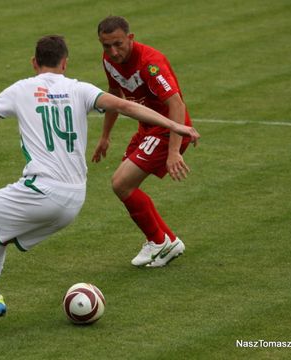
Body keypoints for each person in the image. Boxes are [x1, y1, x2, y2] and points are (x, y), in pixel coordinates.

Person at [0, 35, 200, 334]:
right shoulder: (80, 89)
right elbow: (125, 107)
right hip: (73, 201)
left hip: (40, 190)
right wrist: (173, 124)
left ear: (34, 62)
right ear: (65, 62)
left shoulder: (20, 89)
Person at [92, 16, 196, 267]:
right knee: (124, 184)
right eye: (106, 46)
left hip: (168, 129)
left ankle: (159, 242)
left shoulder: (151, 64)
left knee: (121, 183)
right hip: (147, 128)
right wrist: (105, 136)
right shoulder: (109, 61)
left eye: (118, 44)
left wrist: (173, 151)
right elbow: (115, 97)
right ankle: (168, 240)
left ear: (131, 38)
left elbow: (176, 104)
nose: (113, 52)